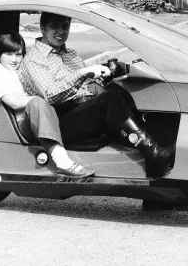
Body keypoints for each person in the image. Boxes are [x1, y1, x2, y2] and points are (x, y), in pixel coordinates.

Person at [19, 12, 175, 177]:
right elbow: (50, 95)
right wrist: (82, 73)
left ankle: (158, 165)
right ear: (42, 28)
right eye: (54, 26)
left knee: (123, 92)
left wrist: (106, 76)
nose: (61, 31)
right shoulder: (34, 59)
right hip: (58, 121)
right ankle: (153, 152)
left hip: (83, 110)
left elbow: (87, 86)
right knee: (109, 99)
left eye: (65, 26)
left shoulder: (70, 54)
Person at [0, 32, 95, 178]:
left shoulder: (23, 67)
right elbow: (13, 102)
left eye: (18, 55)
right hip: (24, 123)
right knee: (37, 102)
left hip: (45, 114)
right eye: (9, 54)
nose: (14, 59)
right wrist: (42, 97)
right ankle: (62, 162)